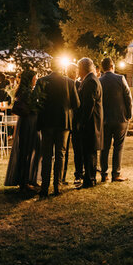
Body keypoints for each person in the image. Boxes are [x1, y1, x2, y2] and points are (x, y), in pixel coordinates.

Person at [36, 61, 79, 197]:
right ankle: (57, 186)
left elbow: (36, 101)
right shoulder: (70, 83)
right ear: (63, 68)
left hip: (46, 122)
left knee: (47, 154)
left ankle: (44, 187)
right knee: (60, 154)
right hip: (63, 123)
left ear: (50, 67)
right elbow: (76, 104)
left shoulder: (42, 81)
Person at [5, 69, 41, 191]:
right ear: (30, 79)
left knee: (34, 149)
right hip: (28, 122)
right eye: (34, 77)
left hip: (31, 122)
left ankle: (30, 178)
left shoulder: (27, 90)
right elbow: (28, 107)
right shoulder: (26, 91)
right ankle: (24, 181)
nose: (36, 79)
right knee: (26, 150)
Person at [99, 57, 133, 182]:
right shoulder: (120, 79)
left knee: (105, 147)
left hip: (105, 120)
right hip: (120, 118)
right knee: (118, 146)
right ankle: (116, 173)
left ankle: (104, 174)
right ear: (112, 66)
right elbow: (128, 98)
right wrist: (129, 115)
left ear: (103, 67)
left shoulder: (99, 81)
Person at [76, 57, 103, 188]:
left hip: (90, 123)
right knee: (89, 151)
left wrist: (82, 122)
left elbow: (88, 104)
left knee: (89, 151)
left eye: (78, 68)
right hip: (92, 122)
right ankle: (90, 178)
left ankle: (90, 179)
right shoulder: (90, 79)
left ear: (82, 68)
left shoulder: (90, 81)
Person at [66, 63, 84, 185]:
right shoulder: (71, 84)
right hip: (70, 120)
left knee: (75, 149)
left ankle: (76, 174)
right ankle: (75, 174)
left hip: (72, 120)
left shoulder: (78, 85)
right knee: (71, 149)